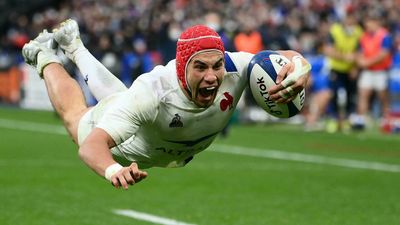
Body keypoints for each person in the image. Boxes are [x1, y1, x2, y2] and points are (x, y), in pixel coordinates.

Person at [22, 19, 311, 190]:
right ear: (182, 67)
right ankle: (43, 56)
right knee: (76, 120)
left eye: (216, 66)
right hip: (126, 150)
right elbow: (91, 147)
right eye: (200, 68)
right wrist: (113, 170)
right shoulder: (154, 91)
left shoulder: (236, 68)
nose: (212, 77)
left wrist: (299, 64)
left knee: (119, 98)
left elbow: (277, 55)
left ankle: (73, 45)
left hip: (167, 145)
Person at [351, 11, 393, 130]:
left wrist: (366, 62)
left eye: (369, 23)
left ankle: (386, 119)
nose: (367, 25)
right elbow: (359, 52)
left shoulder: (384, 35)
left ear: (376, 23)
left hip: (381, 70)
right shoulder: (364, 36)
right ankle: (361, 120)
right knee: (363, 94)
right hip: (368, 71)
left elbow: (384, 54)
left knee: (383, 96)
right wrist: (359, 62)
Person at [323, 13, 363, 132]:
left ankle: (347, 120)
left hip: (350, 70)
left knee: (351, 96)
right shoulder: (335, 30)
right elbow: (328, 50)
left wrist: (355, 67)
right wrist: (345, 57)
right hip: (336, 68)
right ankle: (334, 120)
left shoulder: (358, 32)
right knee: (333, 95)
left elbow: (360, 51)